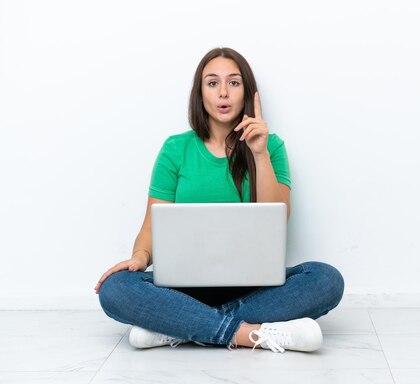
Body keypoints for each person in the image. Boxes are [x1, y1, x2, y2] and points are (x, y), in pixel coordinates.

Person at [94, 47, 344, 353]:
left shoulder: (272, 147)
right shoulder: (176, 149)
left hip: (255, 288)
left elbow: (278, 219)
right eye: (212, 83)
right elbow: (150, 229)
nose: (223, 93)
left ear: (249, 93)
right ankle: (248, 333)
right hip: (183, 290)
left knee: (326, 279)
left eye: (234, 83)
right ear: (199, 94)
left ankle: (180, 327)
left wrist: (259, 153)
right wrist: (140, 257)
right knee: (115, 287)